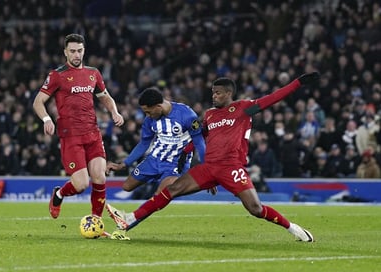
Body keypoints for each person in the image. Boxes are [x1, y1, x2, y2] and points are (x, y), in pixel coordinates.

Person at [106, 72, 320, 242]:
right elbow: (198, 138)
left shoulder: (244, 108)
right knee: (172, 190)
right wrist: (185, 154)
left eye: (217, 93)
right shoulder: (209, 115)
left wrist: (298, 83)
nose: (214, 96)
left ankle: (293, 228)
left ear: (228, 93)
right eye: (212, 92)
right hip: (209, 167)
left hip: (231, 167)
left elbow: (273, 98)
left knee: (255, 208)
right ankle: (129, 219)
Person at [33, 34, 124, 221]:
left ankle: (96, 221)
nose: (76, 55)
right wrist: (46, 119)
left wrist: (114, 112)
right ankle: (59, 195)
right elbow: (38, 102)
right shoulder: (57, 75)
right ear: (65, 52)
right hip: (71, 136)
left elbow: (105, 96)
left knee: (100, 178)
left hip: (93, 133)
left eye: (80, 51)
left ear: (84, 51)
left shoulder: (93, 73)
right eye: (73, 51)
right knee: (81, 184)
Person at [107, 87, 206, 196]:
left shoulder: (187, 115)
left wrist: (207, 169)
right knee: (126, 186)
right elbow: (144, 143)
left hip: (175, 163)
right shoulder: (149, 120)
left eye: (148, 112)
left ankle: (177, 183)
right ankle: (155, 180)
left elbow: (199, 143)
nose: (148, 115)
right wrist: (124, 164)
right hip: (154, 159)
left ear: (158, 106)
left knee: (160, 196)